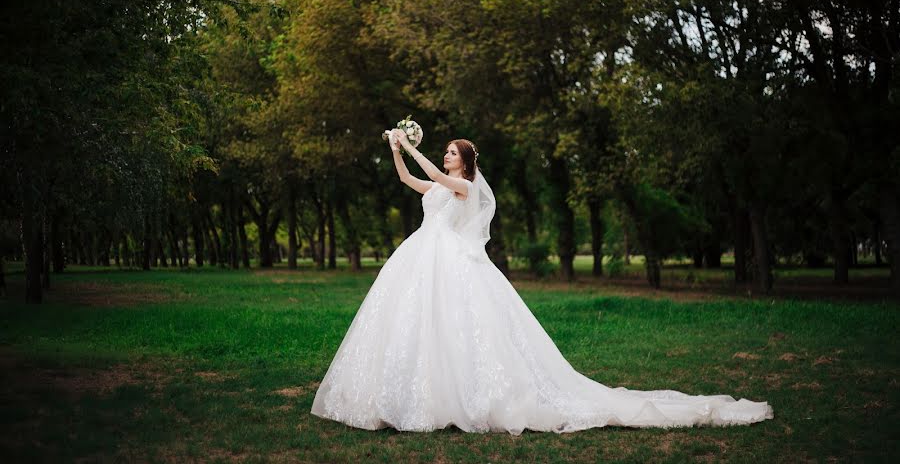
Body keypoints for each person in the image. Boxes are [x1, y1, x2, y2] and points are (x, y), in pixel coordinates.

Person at [310, 129, 773, 434]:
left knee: (459, 325)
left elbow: (428, 171)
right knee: (419, 323)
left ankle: (460, 397)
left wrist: (412, 143)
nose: (446, 156)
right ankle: (413, 394)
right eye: (446, 151)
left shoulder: (465, 188)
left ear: (463, 162)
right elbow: (413, 180)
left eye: (452, 152)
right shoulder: (438, 190)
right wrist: (395, 151)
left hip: (450, 259)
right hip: (423, 255)